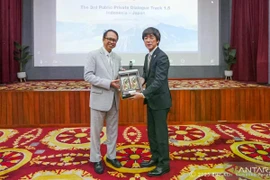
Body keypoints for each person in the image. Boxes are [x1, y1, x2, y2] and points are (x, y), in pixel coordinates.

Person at [131, 27, 172, 176]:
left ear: (158, 40)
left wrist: (142, 94)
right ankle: (155, 158)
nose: (148, 40)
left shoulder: (162, 57)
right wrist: (133, 81)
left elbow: (159, 81)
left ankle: (164, 164)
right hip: (151, 101)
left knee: (160, 134)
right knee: (152, 133)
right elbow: (146, 77)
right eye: (145, 38)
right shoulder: (148, 56)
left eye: (151, 38)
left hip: (160, 102)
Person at [84, 29, 122, 174]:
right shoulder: (93, 55)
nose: (111, 42)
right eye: (109, 39)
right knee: (96, 132)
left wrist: (125, 76)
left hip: (114, 99)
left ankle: (111, 156)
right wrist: (108, 83)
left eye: (114, 40)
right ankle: (96, 159)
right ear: (103, 39)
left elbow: (117, 75)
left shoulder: (117, 58)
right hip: (99, 98)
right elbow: (88, 76)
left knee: (113, 131)